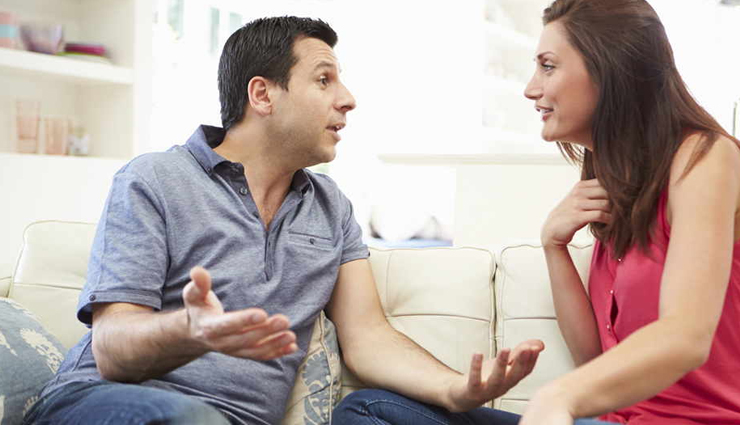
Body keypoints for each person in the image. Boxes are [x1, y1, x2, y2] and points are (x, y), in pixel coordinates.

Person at [23, 16, 543, 425]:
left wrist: (456, 388)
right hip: (102, 403)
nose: (348, 99)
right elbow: (112, 350)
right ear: (263, 94)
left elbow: (368, 337)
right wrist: (191, 329)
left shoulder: (330, 206)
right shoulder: (155, 179)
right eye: (324, 79)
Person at [518, 0, 740, 423]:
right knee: (388, 407)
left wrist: (555, 397)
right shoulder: (619, 188)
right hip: (615, 420)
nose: (531, 89)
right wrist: (553, 246)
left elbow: (687, 337)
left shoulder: (705, 157)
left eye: (548, 67)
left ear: (609, 69)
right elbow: (596, 360)